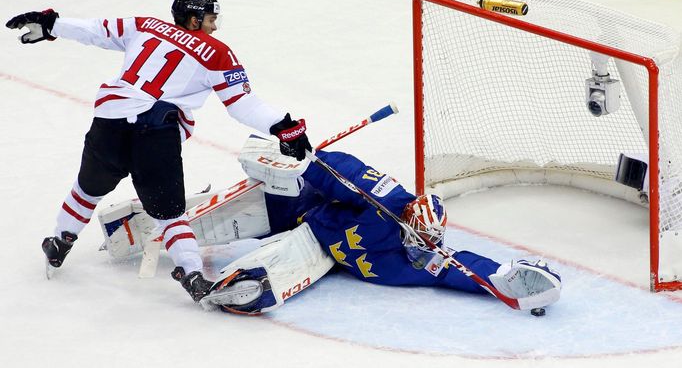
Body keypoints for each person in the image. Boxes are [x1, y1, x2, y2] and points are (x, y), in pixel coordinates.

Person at [5, 0, 312, 300]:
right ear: (194, 20)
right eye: (209, 20)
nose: (214, 27)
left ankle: (59, 241)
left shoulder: (145, 26)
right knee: (169, 214)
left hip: (110, 120)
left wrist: (51, 25)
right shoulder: (218, 53)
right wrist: (285, 128)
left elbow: (95, 30)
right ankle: (191, 275)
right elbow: (242, 104)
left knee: (88, 188)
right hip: (155, 131)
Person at [195, 137, 562, 314]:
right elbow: (345, 173)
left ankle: (243, 284)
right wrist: (307, 162)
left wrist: (501, 276)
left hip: (319, 251)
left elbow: (457, 267)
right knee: (206, 224)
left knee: (277, 270)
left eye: (428, 241)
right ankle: (173, 226)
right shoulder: (385, 199)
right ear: (408, 221)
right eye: (419, 238)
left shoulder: (419, 258)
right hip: (299, 208)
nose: (422, 248)